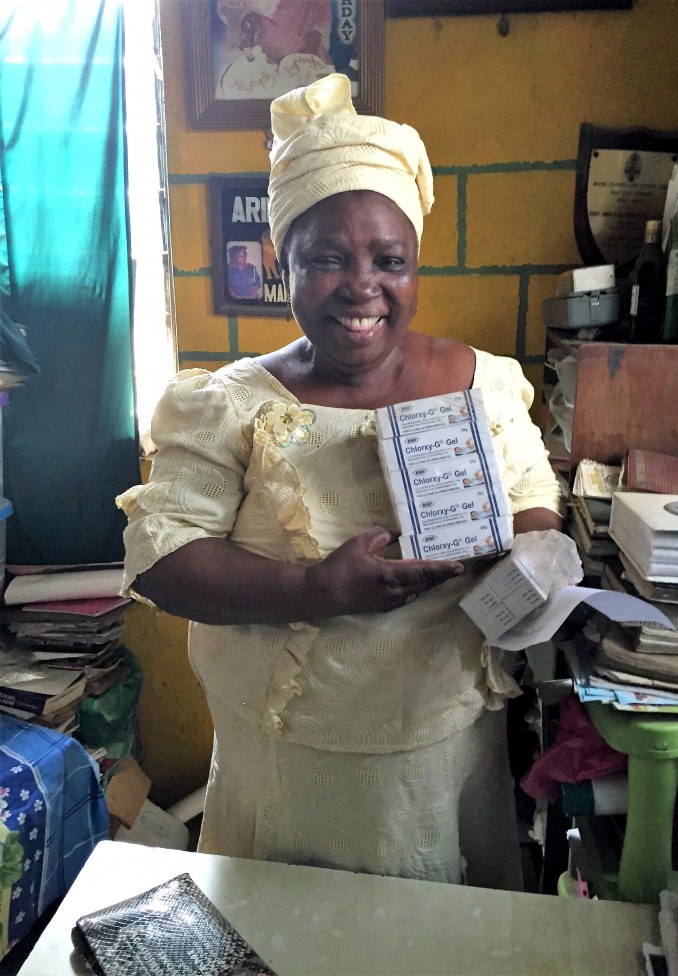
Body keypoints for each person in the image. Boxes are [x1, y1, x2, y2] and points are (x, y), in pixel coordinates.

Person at [117, 74, 563, 889]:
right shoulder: (233, 404)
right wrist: (319, 588)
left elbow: (532, 503)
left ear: (415, 266)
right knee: (289, 936)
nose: (363, 285)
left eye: (389, 260)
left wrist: (528, 561)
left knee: (436, 934)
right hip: (288, 760)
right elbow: (161, 559)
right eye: (327, 258)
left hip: (446, 742)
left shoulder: (483, 383)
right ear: (281, 263)